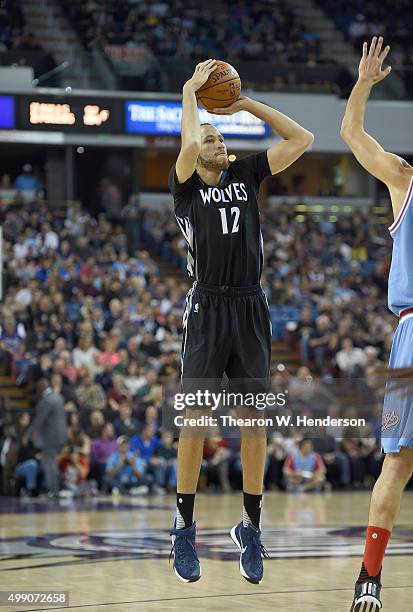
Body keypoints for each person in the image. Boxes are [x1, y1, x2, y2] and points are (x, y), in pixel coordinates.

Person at [168, 58, 314, 583]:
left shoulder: (246, 174)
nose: (218, 142)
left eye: (221, 136)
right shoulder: (185, 186)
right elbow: (187, 147)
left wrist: (244, 103)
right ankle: (184, 530)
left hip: (251, 305)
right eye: (210, 137)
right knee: (195, 424)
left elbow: (302, 138)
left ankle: (250, 527)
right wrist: (191, 94)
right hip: (207, 307)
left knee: (256, 427)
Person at [341, 36, 413, 612]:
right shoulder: (404, 180)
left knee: (397, 463)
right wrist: (362, 84)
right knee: (396, 463)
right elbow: (352, 136)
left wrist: (365, 83)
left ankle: (369, 581)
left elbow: (351, 138)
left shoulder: (404, 180)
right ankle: (368, 579)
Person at [24, 379, 68, 496]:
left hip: (49, 437)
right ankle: (58, 488)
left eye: (38, 388)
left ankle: (54, 490)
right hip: (60, 437)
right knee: (53, 462)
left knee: (49, 463)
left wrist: (28, 434)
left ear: (42, 387)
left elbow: (39, 420)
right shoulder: (59, 397)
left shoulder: (46, 401)